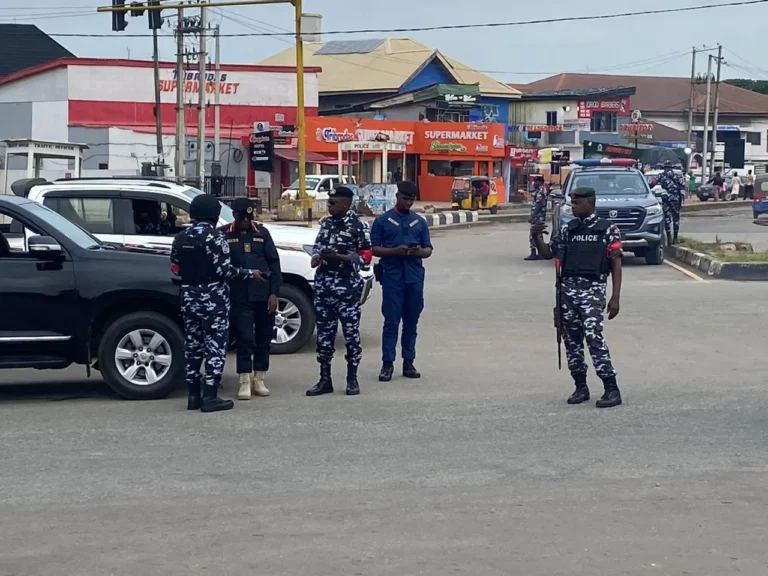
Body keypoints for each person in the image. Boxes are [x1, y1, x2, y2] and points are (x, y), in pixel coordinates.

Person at [532, 187, 623, 409]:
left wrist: (615, 297)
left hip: (592, 290)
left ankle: (611, 387)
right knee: (571, 340)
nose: (573, 205)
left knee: (593, 336)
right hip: (567, 291)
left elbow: (616, 262)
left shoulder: (607, 229)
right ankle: (580, 386)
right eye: (571, 202)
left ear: (590, 203)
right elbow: (548, 254)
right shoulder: (568, 229)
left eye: (577, 202)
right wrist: (536, 236)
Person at [170, 194, 262, 413]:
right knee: (215, 347)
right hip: (213, 299)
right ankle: (210, 396)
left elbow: (175, 268)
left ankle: (193, 395)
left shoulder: (181, 237)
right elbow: (225, 271)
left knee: (193, 346)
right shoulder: (215, 237)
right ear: (214, 213)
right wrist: (250, 274)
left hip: (188, 297)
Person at [306, 186, 372, 397]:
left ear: (346, 204)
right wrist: (318, 257)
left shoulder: (358, 226)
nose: (329, 206)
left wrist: (341, 257)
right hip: (324, 289)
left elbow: (365, 258)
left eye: (333, 203)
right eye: (329, 202)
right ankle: (325, 379)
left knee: (351, 338)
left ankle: (352, 379)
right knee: (324, 338)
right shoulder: (326, 224)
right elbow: (317, 247)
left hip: (347, 291)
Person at [370, 180, 433, 382]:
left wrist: (418, 251)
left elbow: (428, 249)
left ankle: (408, 362)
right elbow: (373, 249)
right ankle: (387, 363)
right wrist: (394, 252)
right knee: (391, 322)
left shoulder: (419, 222)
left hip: (414, 278)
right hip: (392, 278)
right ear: (397, 197)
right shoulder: (383, 221)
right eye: (405, 199)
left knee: (411, 323)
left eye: (411, 200)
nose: (408, 203)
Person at [220, 197, 281, 401]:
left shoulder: (262, 233)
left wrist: (274, 293)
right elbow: (222, 267)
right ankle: (244, 380)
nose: (246, 220)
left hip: (263, 295)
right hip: (239, 296)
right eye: (241, 217)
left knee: (264, 339)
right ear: (234, 216)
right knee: (245, 339)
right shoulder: (225, 234)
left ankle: (259, 379)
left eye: (249, 216)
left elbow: (274, 265)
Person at [659, 161, 685, 244]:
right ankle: (675, 239)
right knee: (676, 218)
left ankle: (669, 238)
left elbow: (652, 184)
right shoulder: (676, 175)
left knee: (667, 218)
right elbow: (682, 186)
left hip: (665, 198)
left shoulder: (661, 176)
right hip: (675, 198)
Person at [526, 175, 548, 260]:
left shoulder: (541, 192)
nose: (534, 183)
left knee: (534, 234)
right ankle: (539, 253)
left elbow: (539, 205)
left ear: (540, 182)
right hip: (538, 217)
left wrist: (532, 216)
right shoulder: (539, 190)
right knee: (538, 234)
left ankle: (534, 253)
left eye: (536, 182)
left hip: (538, 217)